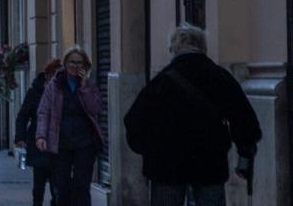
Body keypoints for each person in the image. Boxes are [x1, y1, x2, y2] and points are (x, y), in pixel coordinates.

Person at [124, 24, 262, 206]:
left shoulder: (161, 82)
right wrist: (245, 154)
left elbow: (134, 121)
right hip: (209, 163)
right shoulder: (219, 77)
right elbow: (243, 118)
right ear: (202, 46)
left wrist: (148, 150)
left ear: (173, 48)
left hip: (167, 166)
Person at [36, 46, 103, 206]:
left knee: (82, 186)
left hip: (85, 142)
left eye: (80, 63)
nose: (76, 66)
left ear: (85, 65)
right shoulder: (55, 85)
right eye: (72, 62)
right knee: (62, 186)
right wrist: (41, 136)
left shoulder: (89, 85)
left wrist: (85, 86)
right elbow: (44, 111)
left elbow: (95, 108)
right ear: (65, 64)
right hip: (61, 142)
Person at [16, 58, 62, 206]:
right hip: (38, 142)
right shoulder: (34, 92)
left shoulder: (63, 91)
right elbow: (23, 115)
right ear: (48, 75)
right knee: (39, 182)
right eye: (54, 74)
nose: (57, 78)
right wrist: (20, 137)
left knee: (58, 184)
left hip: (58, 143)